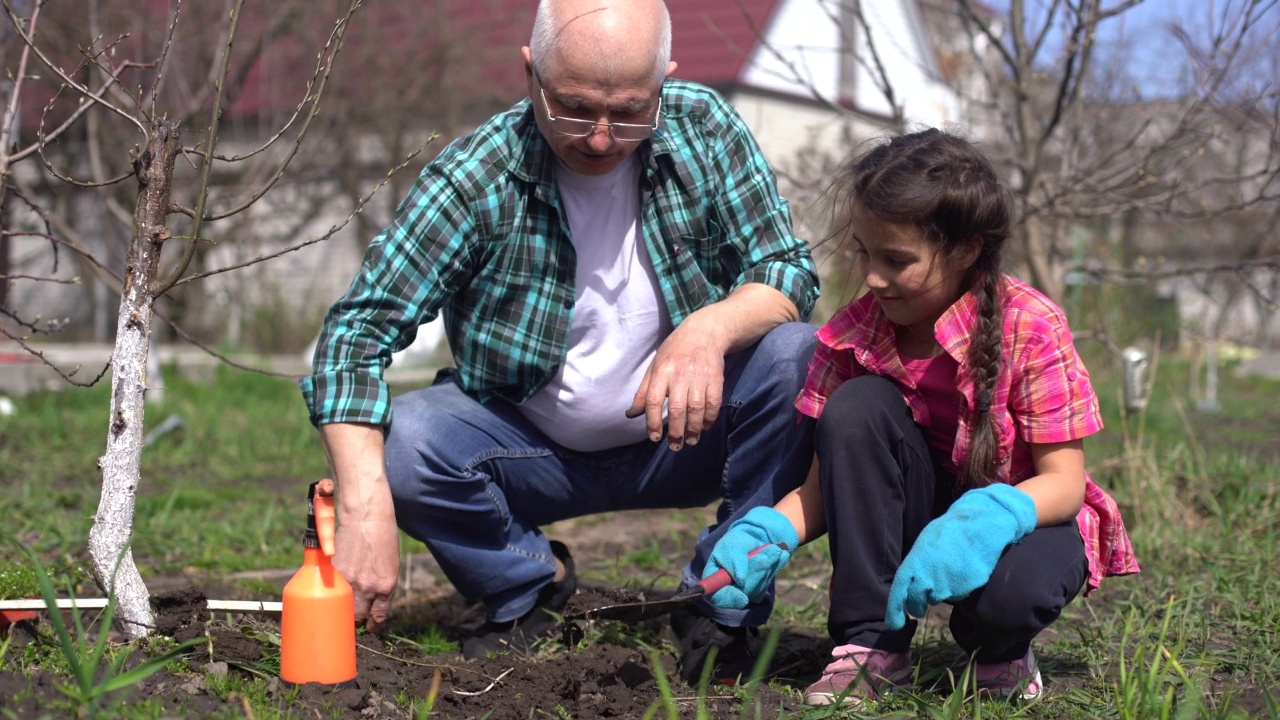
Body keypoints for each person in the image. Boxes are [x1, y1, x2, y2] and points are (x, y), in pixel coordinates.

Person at [300, 0, 820, 683]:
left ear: (664, 80)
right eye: (574, 108)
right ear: (530, 73)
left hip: (685, 435)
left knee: (798, 357)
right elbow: (355, 333)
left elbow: (787, 270)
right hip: (529, 450)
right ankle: (524, 586)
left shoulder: (705, 129)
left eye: (631, 111)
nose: (602, 138)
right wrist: (365, 504)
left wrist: (709, 327)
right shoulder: (475, 178)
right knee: (407, 443)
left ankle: (720, 600)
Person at [699, 128, 1140, 705]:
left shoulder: (1028, 326)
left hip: (1018, 519)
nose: (873, 277)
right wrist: (771, 532)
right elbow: (829, 484)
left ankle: (997, 651)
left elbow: (1065, 484)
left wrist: (992, 518)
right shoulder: (856, 335)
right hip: (911, 509)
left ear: (966, 249)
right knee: (856, 408)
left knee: (1010, 599)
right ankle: (873, 646)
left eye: (896, 259)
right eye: (864, 251)